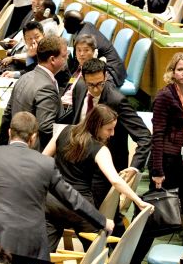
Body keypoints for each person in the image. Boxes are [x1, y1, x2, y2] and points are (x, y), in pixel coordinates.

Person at [0, 112, 112, 264]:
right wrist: (102, 220)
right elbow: (71, 197)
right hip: (31, 244)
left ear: (9, 133)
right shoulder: (45, 164)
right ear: (33, 137)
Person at [125, 53, 183, 264]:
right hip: (166, 164)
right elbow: (158, 136)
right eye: (180, 69)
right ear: (172, 72)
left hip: (181, 163)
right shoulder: (165, 96)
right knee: (153, 222)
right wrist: (157, 172)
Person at [43, 104, 149, 250]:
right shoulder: (100, 149)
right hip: (79, 207)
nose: (112, 134)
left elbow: (43, 160)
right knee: (98, 251)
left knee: (44, 255)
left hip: (51, 203)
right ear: (96, 126)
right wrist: (138, 201)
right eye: (109, 129)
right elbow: (115, 180)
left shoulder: (64, 131)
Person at [59, 58, 153, 205]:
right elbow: (76, 122)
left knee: (103, 210)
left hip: (105, 169)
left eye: (100, 84)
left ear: (106, 77)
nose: (96, 89)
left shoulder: (117, 101)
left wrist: (134, 167)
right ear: (83, 79)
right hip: (80, 164)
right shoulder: (79, 88)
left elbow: (144, 136)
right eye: (91, 84)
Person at [0, 36, 67, 148]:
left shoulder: (24, 77)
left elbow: (7, 115)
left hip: (15, 149)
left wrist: (1, 147)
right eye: (64, 56)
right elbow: (46, 128)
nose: (66, 59)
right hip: (34, 155)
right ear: (52, 60)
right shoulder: (46, 87)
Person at [62, 11, 128, 86]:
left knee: (77, 84)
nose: (63, 23)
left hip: (111, 71)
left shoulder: (82, 37)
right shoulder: (87, 24)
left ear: (72, 24)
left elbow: (77, 63)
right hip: (114, 67)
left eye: (65, 21)